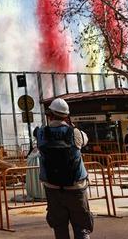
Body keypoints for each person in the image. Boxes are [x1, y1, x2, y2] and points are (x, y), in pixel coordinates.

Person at [36, 97, 93, 239]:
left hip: (52, 188)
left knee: (60, 229)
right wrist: (71, 125)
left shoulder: (41, 133)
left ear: (50, 115)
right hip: (76, 187)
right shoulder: (76, 133)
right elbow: (85, 140)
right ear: (66, 116)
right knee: (81, 228)